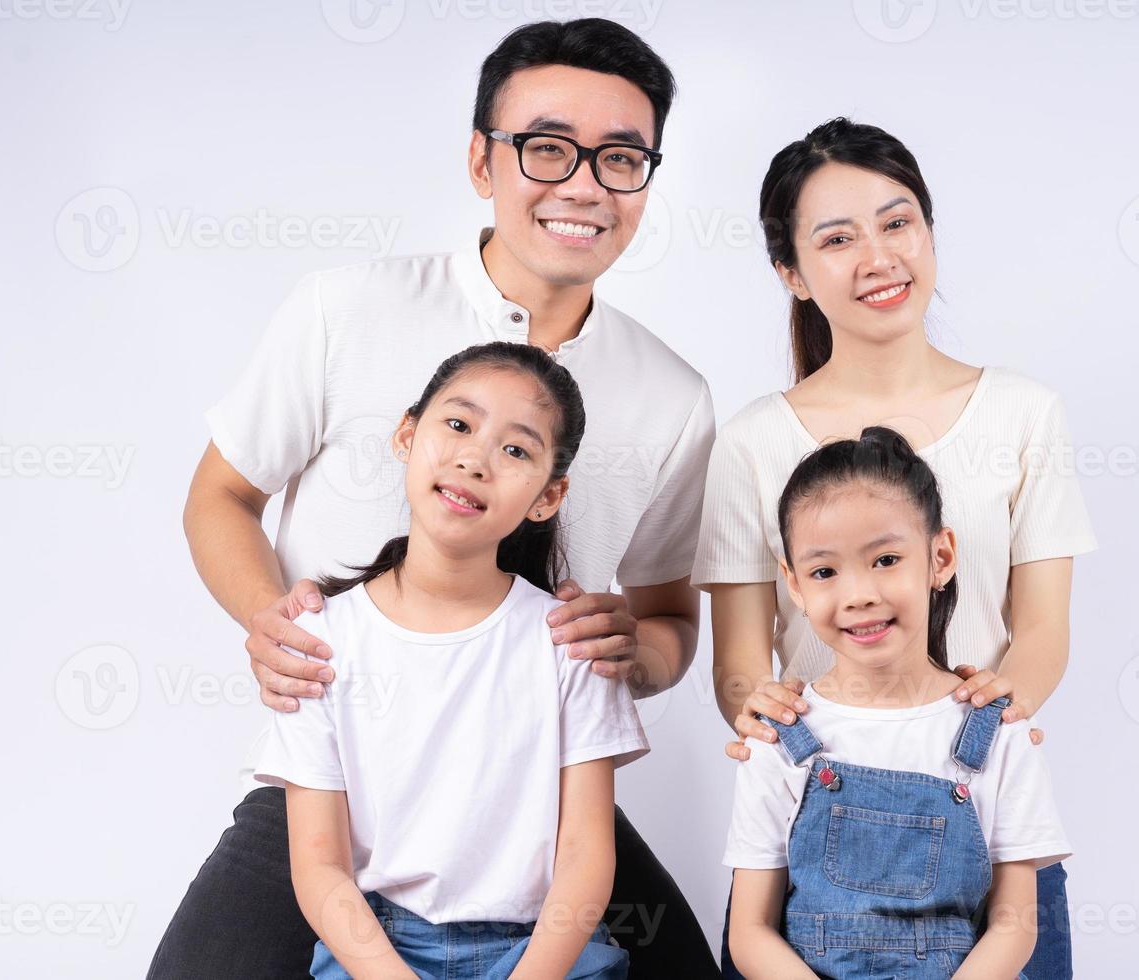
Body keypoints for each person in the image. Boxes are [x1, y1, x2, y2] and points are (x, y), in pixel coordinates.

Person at [149, 19, 720, 978]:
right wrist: (274, 625)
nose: (584, 184)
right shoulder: (346, 307)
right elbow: (220, 495)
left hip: (528, 798)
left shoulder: (673, 394)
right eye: (547, 148)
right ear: (479, 159)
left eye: (621, 159)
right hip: (334, 779)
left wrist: (637, 654)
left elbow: (668, 620)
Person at [693, 118, 1095, 978]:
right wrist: (762, 716)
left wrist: (969, 728)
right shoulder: (753, 442)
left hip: (985, 824)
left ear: (930, 232)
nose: (877, 256)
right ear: (792, 274)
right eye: (837, 239)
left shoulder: (1024, 414)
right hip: (814, 818)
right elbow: (738, 664)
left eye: (897, 221)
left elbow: (1045, 633)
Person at [259, 342, 645, 979]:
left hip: (541, 949)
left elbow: (584, 859)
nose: (474, 458)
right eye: (459, 425)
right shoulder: (321, 641)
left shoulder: (569, 640)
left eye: (515, 449)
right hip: (379, 948)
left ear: (549, 496)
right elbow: (321, 866)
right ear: (407, 436)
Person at [724, 427, 1071, 978]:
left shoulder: (998, 733)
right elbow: (749, 931)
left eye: (885, 559)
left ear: (940, 557)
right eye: (824, 571)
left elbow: (1015, 924)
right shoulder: (778, 738)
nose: (858, 593)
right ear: (794, 586)